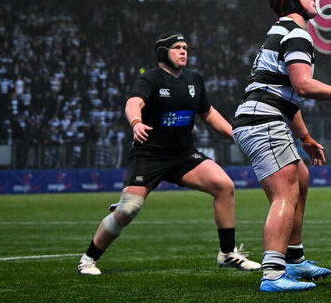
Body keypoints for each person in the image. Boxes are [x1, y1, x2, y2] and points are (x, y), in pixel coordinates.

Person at [78, 32, 259, 276]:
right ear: (163, 52)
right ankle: (88, 259)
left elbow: (208, 112)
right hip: (150, 156)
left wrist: (235, 134)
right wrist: (136, 123)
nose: (183, 51)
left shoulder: (194, 79)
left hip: (184, 156)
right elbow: (133, 103)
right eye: (177, 47)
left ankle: (227, 254)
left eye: (185, 47)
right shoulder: (150, 79)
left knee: (224, 185)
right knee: (128, 210)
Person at [232, 0, 331, 292]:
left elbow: (288, 94)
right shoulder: (296, 34)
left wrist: (306, 138)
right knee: (285, 194)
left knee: (301, 177)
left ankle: (294, 259)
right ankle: (273, 274)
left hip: (261, 118)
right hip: (263, 121)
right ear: (294, 1)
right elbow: (304, 85)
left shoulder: (281, 32)